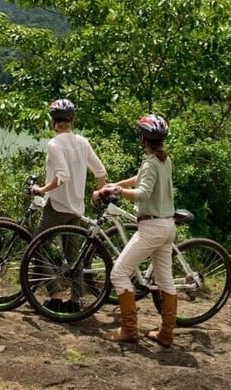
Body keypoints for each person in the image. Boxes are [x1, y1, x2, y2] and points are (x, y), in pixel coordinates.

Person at [95, 113, 177, 347]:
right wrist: (117, 184)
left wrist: (118, 193)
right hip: (167, 225)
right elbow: (141, 179)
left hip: (151, 227)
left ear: (143, 138)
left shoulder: (150, 162)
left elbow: (142, 193)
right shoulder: (163, 159)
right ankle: (166, 334)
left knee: (118, 273)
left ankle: (129, 329)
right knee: (165, 281)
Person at [28, 98, 107, 312]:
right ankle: (75, 301)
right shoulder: (82, 142)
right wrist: (102, 193)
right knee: (73, 257)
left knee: (37, 249)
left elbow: (63, 176)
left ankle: (55, 295)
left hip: (57, 208)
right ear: (71, 120)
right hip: (76, 209)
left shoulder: (55, 144)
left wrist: (41, 190)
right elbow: (101, 172)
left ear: (53, 121)